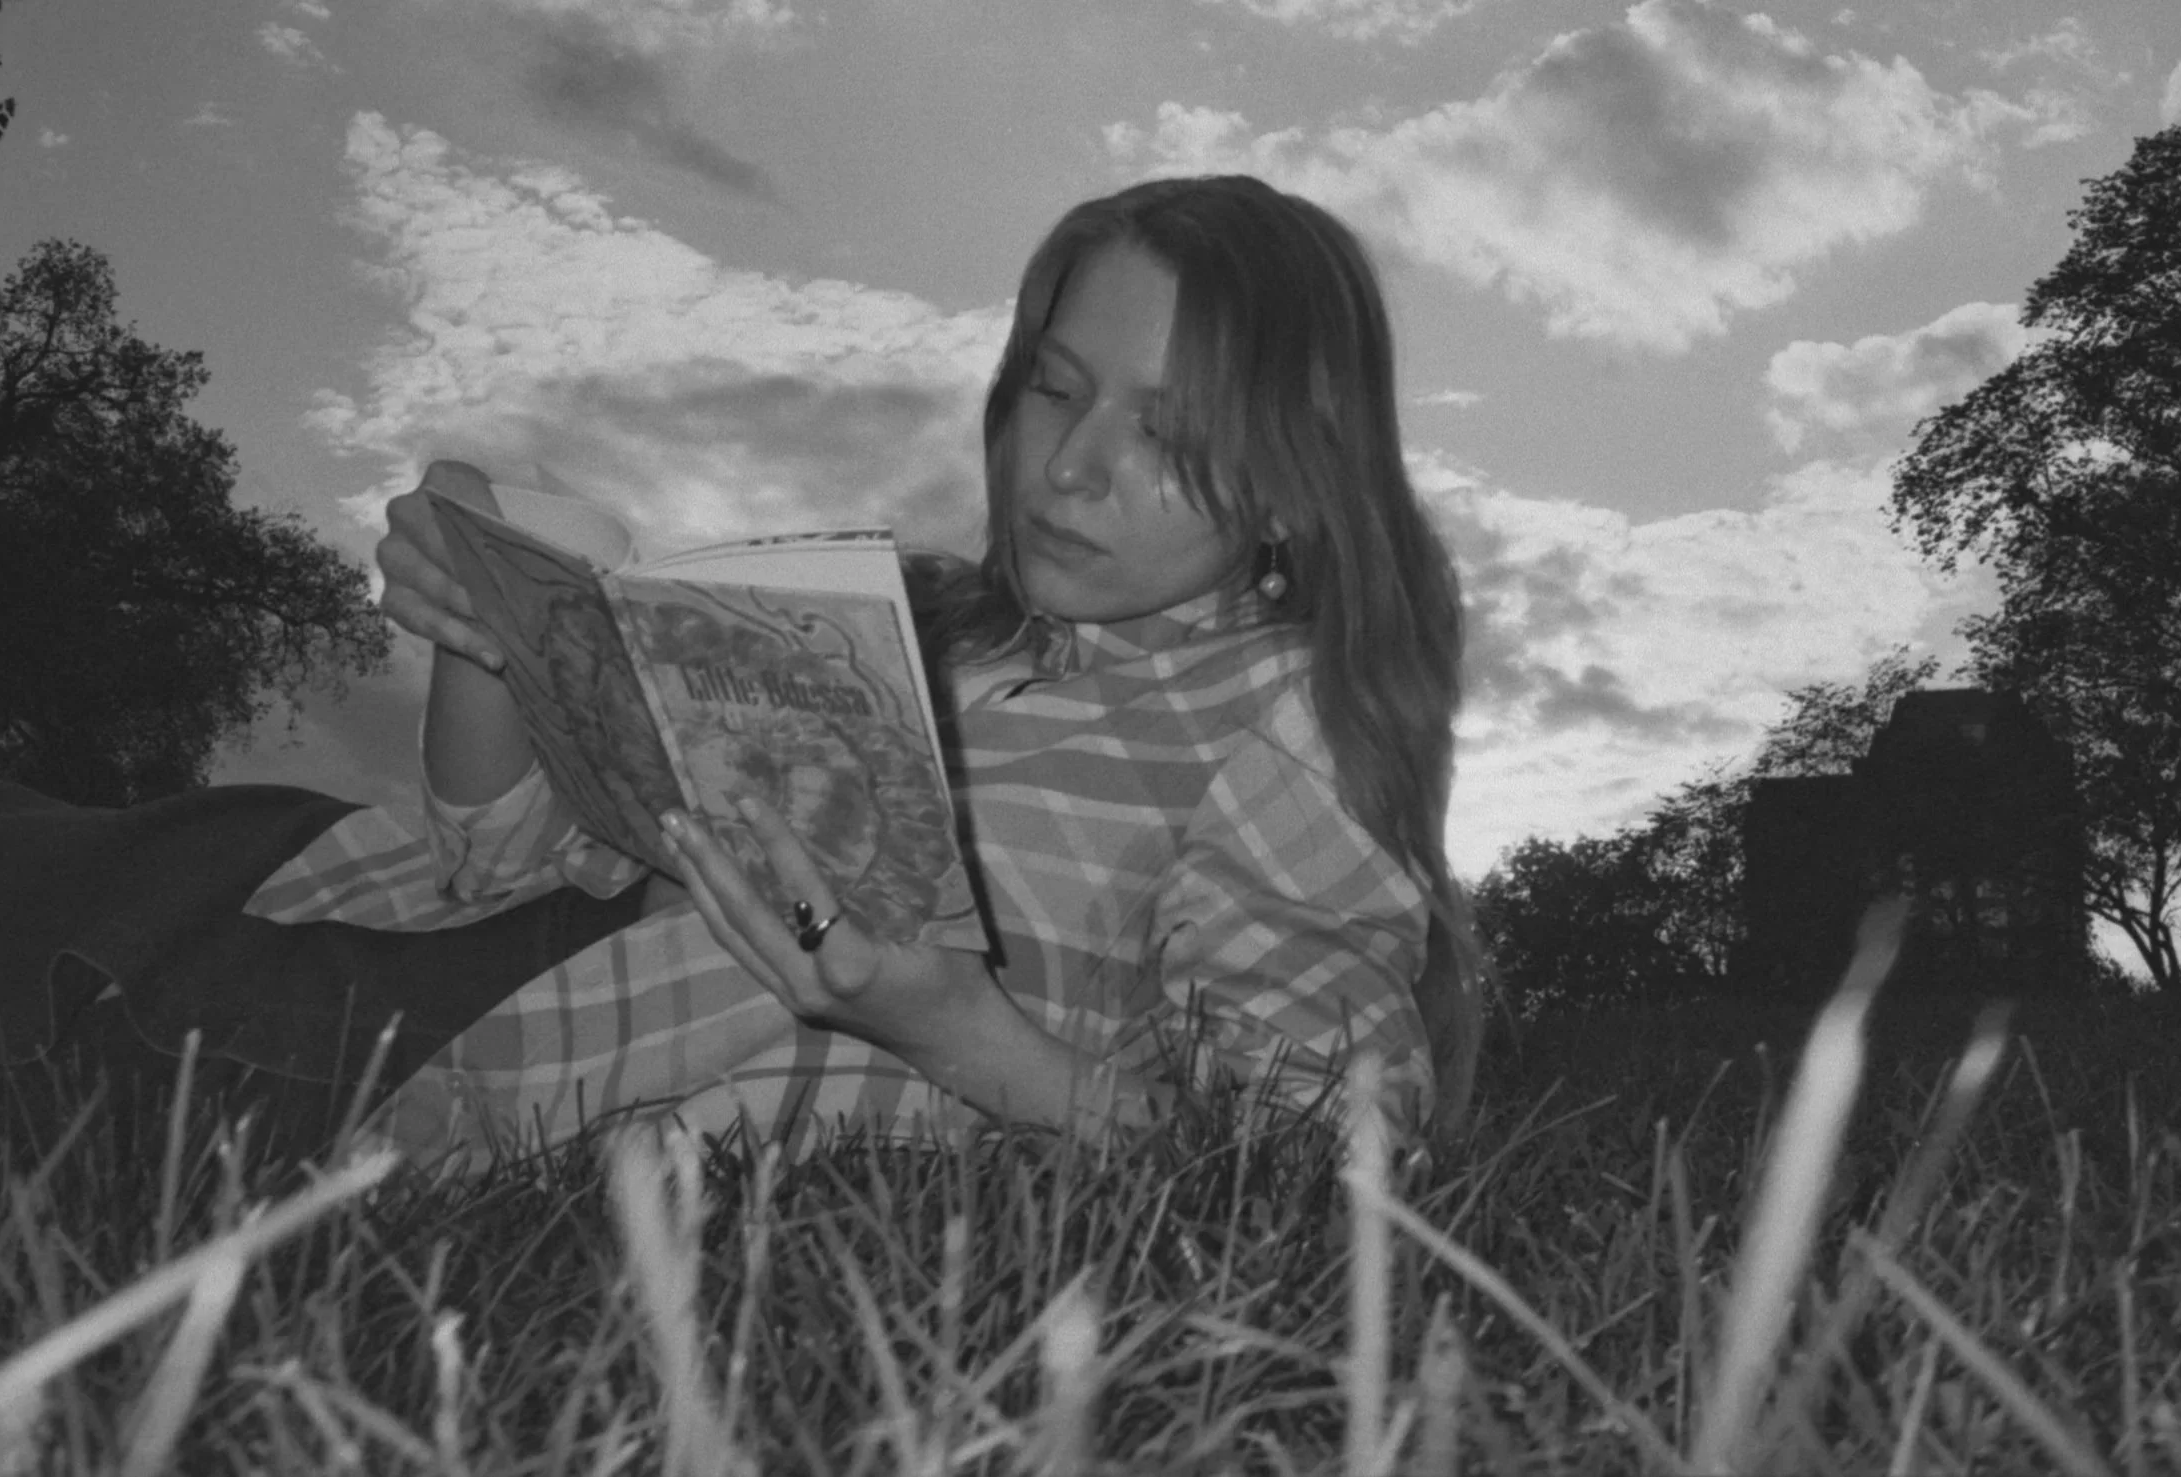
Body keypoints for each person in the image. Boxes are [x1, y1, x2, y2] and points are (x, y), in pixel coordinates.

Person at [266, 173, 1483, 1165]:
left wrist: (954, 1029)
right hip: (409, 940)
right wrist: (481, 613)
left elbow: (1315, 1160)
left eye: (1168, 431)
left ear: (1293, 483)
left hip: (495, 1068)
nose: (1068, 465)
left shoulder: (1277, 722)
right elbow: (494, 860)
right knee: (162, 861)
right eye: (1055, 389)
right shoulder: (904, 620)